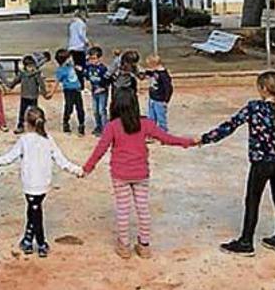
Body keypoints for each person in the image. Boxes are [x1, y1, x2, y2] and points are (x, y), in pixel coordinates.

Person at [198, 71, 275, 256]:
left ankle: (246, 241)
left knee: (253, 200)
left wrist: (205, 139)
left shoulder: (254, 107)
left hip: (261, 163)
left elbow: (230, 126)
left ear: (264, 88)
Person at [82, 88, 196, 259]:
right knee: (143, 209)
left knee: (123, 209)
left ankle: (125, 246)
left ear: (115, 105)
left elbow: (100, 150)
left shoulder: (112, 126)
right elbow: (167, 138)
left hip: (120, 174)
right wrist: (188, 142)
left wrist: (87, 168)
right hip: (141, 173)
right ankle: (144, 246)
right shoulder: (146, 124)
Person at [0, 106, 83, 257]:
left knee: (34, 211)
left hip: (30, 185)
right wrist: (77, 170)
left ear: (27, 123)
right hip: (43, 184)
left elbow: (8, 158)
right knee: (33, 209)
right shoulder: (48, 139)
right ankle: (27, 239)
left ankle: (41, 242)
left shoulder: (24, 140)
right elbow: (62, 160)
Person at [8, 55, 50, 134]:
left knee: (35, 113)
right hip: (24, 96)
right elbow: (16, 80)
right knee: (22, 112)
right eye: (29, 66)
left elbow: (41, 84)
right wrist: (10, 86)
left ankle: (36, 126)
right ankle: (20, 126)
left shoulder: (37, 74)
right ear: (25, 66)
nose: (31, 68)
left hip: (33, 96)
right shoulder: (22, 74)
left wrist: (44, 94)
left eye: (32, 66)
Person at [52, 49, 85, 135]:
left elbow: (79, 69)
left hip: (77, 89)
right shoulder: (61, 70)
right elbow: (56, 82)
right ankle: (66, 123)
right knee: (69, 107)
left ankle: (81, 125)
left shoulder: (71, 65)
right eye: (69, 58)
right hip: (68, 91)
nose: (71, 59)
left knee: (80, 108)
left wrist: (79, 68)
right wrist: (51, 92)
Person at [142, 54, 173, 132]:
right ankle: (151, 132)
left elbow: (168, 88)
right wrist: (144, 72)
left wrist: (166, 100)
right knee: (151, 117)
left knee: (161, 118)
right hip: (152, 97)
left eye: (150, 65)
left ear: (154, 65)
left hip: (160, 100)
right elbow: (151, 73)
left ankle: (163, 133)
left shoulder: (163, 75)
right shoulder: (156, 72)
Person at [84, 47, 110, 136]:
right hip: (94, 91)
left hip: (102, 91)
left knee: (101, 110)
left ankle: (104, 127)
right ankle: (98, 126)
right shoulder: (89, 68)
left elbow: (107, 80)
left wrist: (102, 88)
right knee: (95, 110)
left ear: (99, 58)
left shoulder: (103, 68)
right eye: (91, 58)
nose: (92, 61)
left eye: (94, 58)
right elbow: (86, 75)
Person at [67, 9, 89, 82]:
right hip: (79, 47)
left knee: (76, 65)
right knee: (81, 66)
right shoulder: (81, 23)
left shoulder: (72, 23)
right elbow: (81, 34)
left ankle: (75, 79)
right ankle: (81, 82)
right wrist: (87, 42)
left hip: (72, 45)